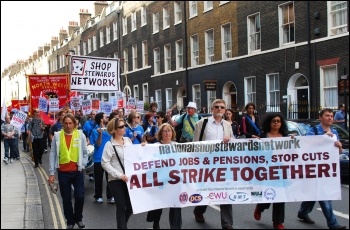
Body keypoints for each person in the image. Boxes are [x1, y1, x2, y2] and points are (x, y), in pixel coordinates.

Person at [297, 108, 346, 229]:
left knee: (315, 194)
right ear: (320, 117)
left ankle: (303, 212)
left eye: (331, 115)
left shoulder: (334, 132)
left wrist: (339, 147)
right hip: (314, 169)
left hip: (327, 170)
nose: (330, 118)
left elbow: (338, 152)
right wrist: (323, 138)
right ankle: (333, 224)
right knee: (324, 195)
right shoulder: (312, 130)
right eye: (327, 115)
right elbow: (306, 146)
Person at [192, 99, 234, 229]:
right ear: (212, 109)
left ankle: (227, 223)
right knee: (207, 190)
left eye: (222, 107)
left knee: (225, 191)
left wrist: (230, 140)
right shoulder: (202, 123)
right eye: (217, 107)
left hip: (223, 164)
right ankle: (199, 210)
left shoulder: (227, 125)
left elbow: (234, 143)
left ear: (225, 110)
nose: (219, 109)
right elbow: (195, 144)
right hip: (206, 164)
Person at [48, 113, 88, 229]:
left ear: (74, 124)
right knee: (66, 199)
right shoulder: (57, 136)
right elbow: (53, 154)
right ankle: (70, 221)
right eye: (66, 123)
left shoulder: (80, 135)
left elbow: (85, 153)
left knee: (80, 196)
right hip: (63, 172)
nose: (68, 125)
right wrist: (51, 173)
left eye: (70, 123)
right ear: (62, 124)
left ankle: (78, 218)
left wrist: (83, 164)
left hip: (78, 171)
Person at [253, 113, 288, 229]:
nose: (276, 123)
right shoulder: (263, 136)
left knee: (280, 196)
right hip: (267, 170)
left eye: (278, 121)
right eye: (274, 121)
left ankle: (278, 222)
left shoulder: (285, 136)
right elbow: (257, 154)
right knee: (269, 194)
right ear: (269, 123)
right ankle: (260, 207)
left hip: (281, 170)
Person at [145, 123, 182, 229]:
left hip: (174, 180)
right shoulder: (155, 147)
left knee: (176, 204)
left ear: (172, 133)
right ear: (161, 133)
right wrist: (143, 147)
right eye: (165, 131)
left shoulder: (176, 146)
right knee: (158, 204)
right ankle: (156, 222)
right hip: (160, 180)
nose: (167, 133)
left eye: (169, 131)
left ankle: (175, 227)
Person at [101, 118, 133, 229]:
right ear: (114, 130)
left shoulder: (128, 140)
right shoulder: (109, 145)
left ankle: (122, 225)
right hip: (115, 180)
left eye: (124, 125)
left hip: (129, 178)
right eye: (121, 126)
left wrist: (143, 147)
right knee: (121, 206)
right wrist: (119, 175)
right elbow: (104, 163)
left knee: (130, 207)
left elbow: (135, 157)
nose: (124, 128)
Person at [89, 112, 114, 204]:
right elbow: (98, 144)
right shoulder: (95, 131)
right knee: (98, 179)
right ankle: (98, 196)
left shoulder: (109, 130)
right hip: (98, 158)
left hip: (109, 158)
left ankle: (110, 196)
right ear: (101, 119)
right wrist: (100, 134)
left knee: (110, 179)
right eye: (105, 117)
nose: (107, 118)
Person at [82, 110, 97, 181]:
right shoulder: (87, 123)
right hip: (89, 142)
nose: (94, 116)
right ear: (90, 115)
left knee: (95, 158)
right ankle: (90, 174)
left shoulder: (98, 123)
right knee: (90, 157)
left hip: (96, 142)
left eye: (95, 114)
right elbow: (84, 132)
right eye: (93, 114)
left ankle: (95, 172)